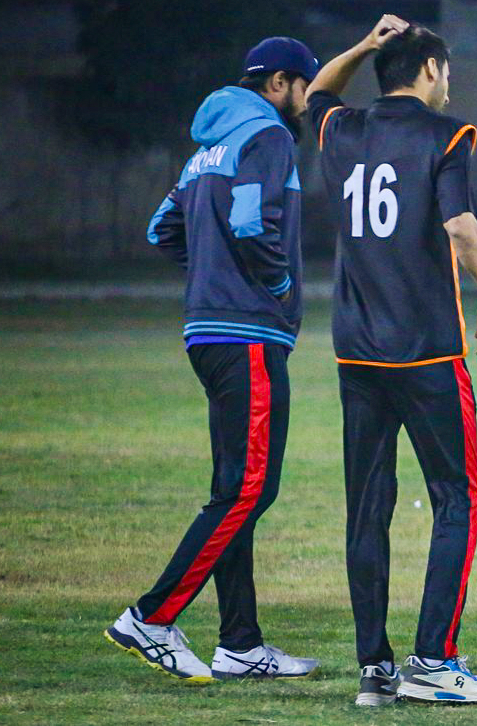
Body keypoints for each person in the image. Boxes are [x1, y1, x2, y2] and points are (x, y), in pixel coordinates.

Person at [307, 17, 477, 705]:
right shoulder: (445, 135)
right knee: (458, 497)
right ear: (429, 69)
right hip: (427, 352)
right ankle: (433, 660)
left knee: (368, 508)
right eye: (445, 70)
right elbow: (460, 226)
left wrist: (363, 46)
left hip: (357, 354)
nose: (448, 82)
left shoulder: (343, 130)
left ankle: (375, 668)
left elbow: (316, 92)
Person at [105, 37, 319, 682]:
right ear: (279, 82)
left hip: (207, 332)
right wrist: (276, 287)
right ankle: (151, 617)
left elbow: (161, 229)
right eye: (304, 86)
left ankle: (241, 645)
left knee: (234, 492)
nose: (307, 99)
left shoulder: (208, 148)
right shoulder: (269, 136)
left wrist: (212, 275)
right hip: (247, 333)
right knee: (249, 491)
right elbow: (252, 224)